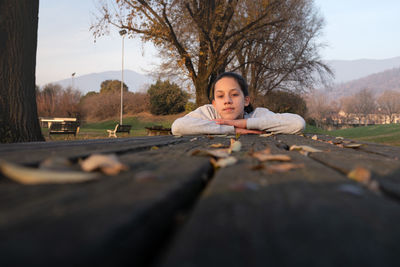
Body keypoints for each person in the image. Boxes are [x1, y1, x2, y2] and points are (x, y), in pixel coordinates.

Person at [171, 72, 305, 135]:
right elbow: (177, 127)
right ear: (214, 103)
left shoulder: (257, 115)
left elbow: (297, 124)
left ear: (246, 100)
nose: (227, 101)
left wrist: (244, 124)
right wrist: (233, 129)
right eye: (220, 96)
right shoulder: (208, 112)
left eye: (234, 94)